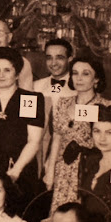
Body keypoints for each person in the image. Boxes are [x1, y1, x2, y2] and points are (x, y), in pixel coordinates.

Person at [0, 47, 45, 214]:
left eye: (7, 70)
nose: (1, 75)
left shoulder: (30, 99)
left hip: (20, 171)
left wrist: (15, 172)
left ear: (17, 74)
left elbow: (34, 141)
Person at [44, 56, 111, 213]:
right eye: (75, 73)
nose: (79, 78)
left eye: (85, 74)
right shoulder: (63, 103)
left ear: (96, 79)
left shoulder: (107, 106)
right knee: (61, 215)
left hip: (91, 168)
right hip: (64, 168)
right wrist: (50, 171)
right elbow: (57, 137)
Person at [33, 39, 76, 174]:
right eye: (49, 58)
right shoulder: (36, 86)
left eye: (60, 58)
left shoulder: (80, 88)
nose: (53, 63)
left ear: (70, 58)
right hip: (38, 151)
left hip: (66, 153)